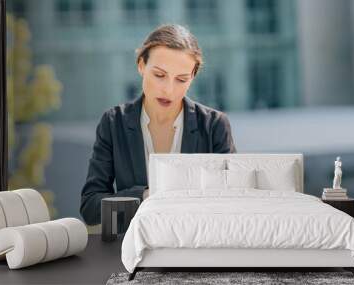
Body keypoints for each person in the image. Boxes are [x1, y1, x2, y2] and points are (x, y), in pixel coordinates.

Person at [80, 24, 237, 226]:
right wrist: (146, 196)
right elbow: (90, 208)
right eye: (159, 75)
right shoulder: (113, 123)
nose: (168, 90)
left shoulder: (214, 125)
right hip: (133, 248)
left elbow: (232, 202)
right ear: (141, 65)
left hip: (196, 246)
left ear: (192, 78)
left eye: (181, 79)